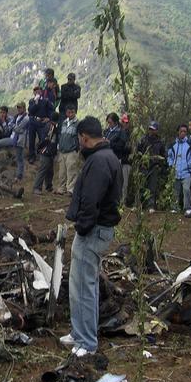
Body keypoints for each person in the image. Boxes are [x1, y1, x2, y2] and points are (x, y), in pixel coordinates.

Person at [61, 116, 122, 357]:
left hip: (93, 230)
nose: (79, 143)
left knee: (83, 287)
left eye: (79, 139)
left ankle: (86, 342)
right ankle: (80, 333)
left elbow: (91, 200)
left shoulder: (98, 161)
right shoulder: (108, 157)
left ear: (84, 137)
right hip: (98, 229)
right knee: (85, 284)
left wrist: (82, 227)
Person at [137, 121, 166, 212]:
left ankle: (150, 206)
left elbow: (163, 155)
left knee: (152, 187)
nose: (151, 131)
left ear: (156, 130)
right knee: (141, 186)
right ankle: (138, 205)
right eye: (150, 129)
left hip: (154, 167)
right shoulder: (143, 139)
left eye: (153, 129)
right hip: (144, 166)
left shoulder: (160, 142)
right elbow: (138, 151)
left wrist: (159, 165)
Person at [167, 124, 191, 213]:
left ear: (186, 133)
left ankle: (187, 208)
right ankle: (174, 208)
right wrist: (171, 165)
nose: (182, 133)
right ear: (178, 132)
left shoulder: (190, 144)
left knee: (186, 190)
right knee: (175, 191)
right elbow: (169, 156)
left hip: (187, 172)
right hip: (175, 172)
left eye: (184, 131)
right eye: (181, 131)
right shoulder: (173, 144)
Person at [55, 105, 80, 195]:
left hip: (72, 150)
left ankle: (71, 189)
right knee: (62, 171)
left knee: (71, 170)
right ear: (66, 113)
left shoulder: (78, 123)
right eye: (68, 112)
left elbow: (79, 137)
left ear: (75, 112)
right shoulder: (64, 123)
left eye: (72, 112)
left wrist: (77, 147)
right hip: (62, 150)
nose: (70, 114)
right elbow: (60, 135)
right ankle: (61, 188)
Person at [33, 112, 60, 194]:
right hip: (46, 151)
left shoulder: (50, 126)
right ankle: (37, 187)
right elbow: (46, 140)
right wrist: (43, 149)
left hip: (49, 151)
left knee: (49, 170)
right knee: (43, 169)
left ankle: (49, 186)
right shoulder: (50, 127)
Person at [27, 86, 53, 163]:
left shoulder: (45, 101)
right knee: (31, 140)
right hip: (33, 121)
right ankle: (32, 156)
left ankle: (42, 155)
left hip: (41, 122)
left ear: (41, 92)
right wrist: (36, 102)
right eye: (35, 91)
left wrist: (49, 118)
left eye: (38, 91)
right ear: (33, 93)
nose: (37, 92)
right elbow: (31, 111)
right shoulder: (32, 101)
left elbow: (51, 110)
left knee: (42, 139)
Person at [10, 102, 29, 181]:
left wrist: (14, 127)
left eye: (20, 108)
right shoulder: (17, 116)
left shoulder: (26, 118)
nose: (18, 109)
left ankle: (19, 176)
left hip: (21, 140)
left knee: (19, 158)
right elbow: (11, 124)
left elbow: (17, 128)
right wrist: (16, 127)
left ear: (24, 108)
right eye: (18, 108)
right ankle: (19, 175)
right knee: (19, 157)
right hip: (16, 138)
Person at [119, 113, 133, 205]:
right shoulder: (118, 132)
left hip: (127, 161)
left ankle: (123, 202)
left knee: (125, 183)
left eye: (126, 122)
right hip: (118, 160)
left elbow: (130, 148)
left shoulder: (132, 134)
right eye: (123, 122)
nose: (125, 124)